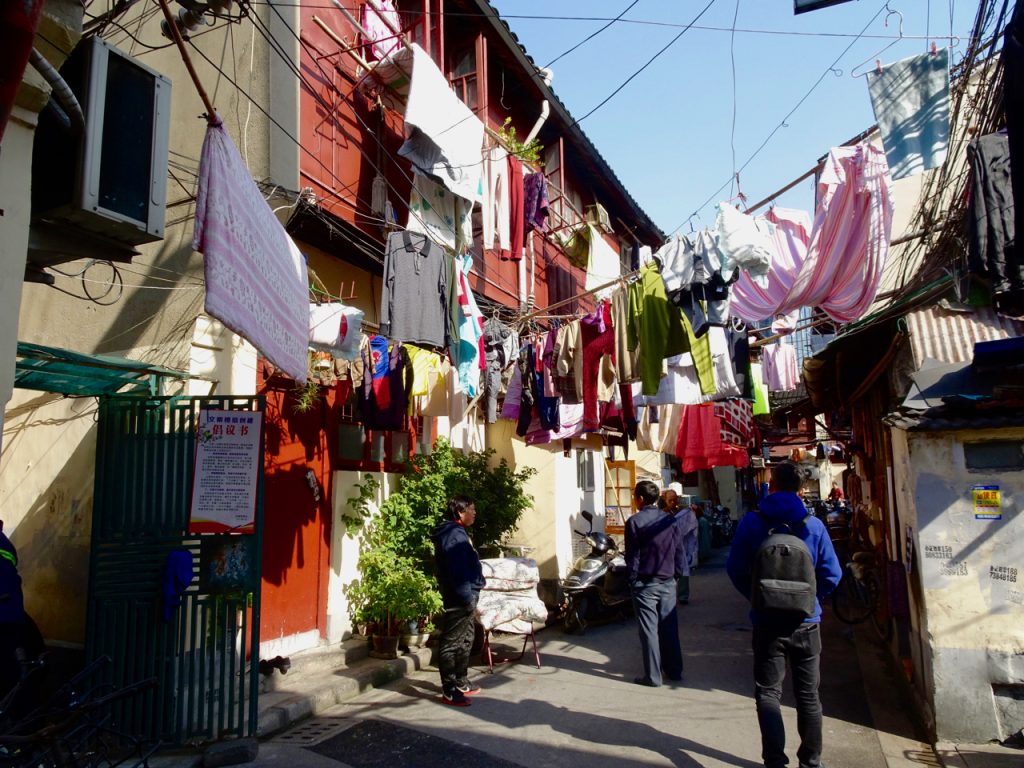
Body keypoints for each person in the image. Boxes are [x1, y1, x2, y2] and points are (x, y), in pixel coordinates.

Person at [726, 461, 843, 768]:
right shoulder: (813, 524)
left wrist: (757, 598)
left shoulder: (753, 522)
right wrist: (810, 600)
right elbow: (832, 573)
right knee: (808, 696)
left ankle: (775, 762)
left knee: (768, 694)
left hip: (766, 622)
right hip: (806, 623)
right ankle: (810, 763)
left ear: (771, 485)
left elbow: (735, 569)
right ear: (801, 489)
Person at [625, 480, 685, 687]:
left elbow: (633, 556)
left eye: (634, 496)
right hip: (668, 580)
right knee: (669, 626)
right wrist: (678, 573)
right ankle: (674, 670)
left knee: (649, 630)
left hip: (645, 582)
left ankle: (653, 676)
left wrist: (632, 579)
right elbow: (679, 549)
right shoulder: (669, 519)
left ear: (640, 499)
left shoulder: (635, 521)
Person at [431, 495, 486, 707]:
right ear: (460, 512)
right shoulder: (453, 535)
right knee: (452, 642)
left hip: (468, 592)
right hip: (460, 596)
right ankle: (450, 689)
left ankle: (461, 681)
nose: (474, 513)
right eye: (471, 509)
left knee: (466, 638)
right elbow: (457, 570)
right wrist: (465, 597)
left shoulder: (458, 532)